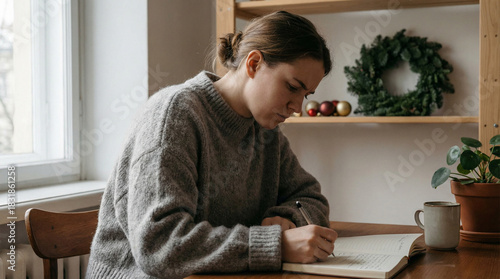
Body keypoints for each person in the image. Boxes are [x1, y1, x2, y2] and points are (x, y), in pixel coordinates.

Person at [86, 10, 337, 279]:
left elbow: (309, 197)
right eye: (291, 86)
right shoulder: (174, 115)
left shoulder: (265, 133)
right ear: (253, 64)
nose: (297, 107)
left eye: (306, 94)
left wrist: (286, 218)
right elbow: (159, 246)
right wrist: (274, 245)